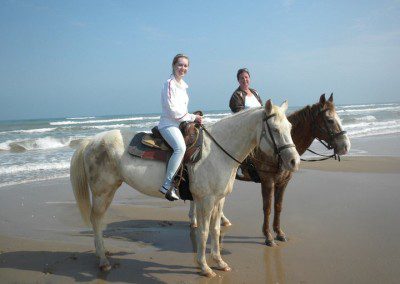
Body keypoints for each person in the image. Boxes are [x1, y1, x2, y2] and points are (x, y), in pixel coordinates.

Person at [158, 54, 203, 201]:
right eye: (180, 65)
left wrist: (192, 119)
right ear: (173, 65)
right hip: (168, 124)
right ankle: (167, 185)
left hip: (180, 124)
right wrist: (192, 117)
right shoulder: (170, 84)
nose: (182, 68)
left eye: (185, 66)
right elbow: (173, 111)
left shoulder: (183, 86)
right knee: (180, 148)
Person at [229, 68, 262, 182]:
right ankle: (242, 168)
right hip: (244, 127)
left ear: (250, 78)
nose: (244, 80)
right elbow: (241, 115)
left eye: (246, 77)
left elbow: (261, 109)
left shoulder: (255, 92)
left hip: (258, 125)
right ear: (238, 80)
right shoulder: (236, 95)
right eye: (242, 78)